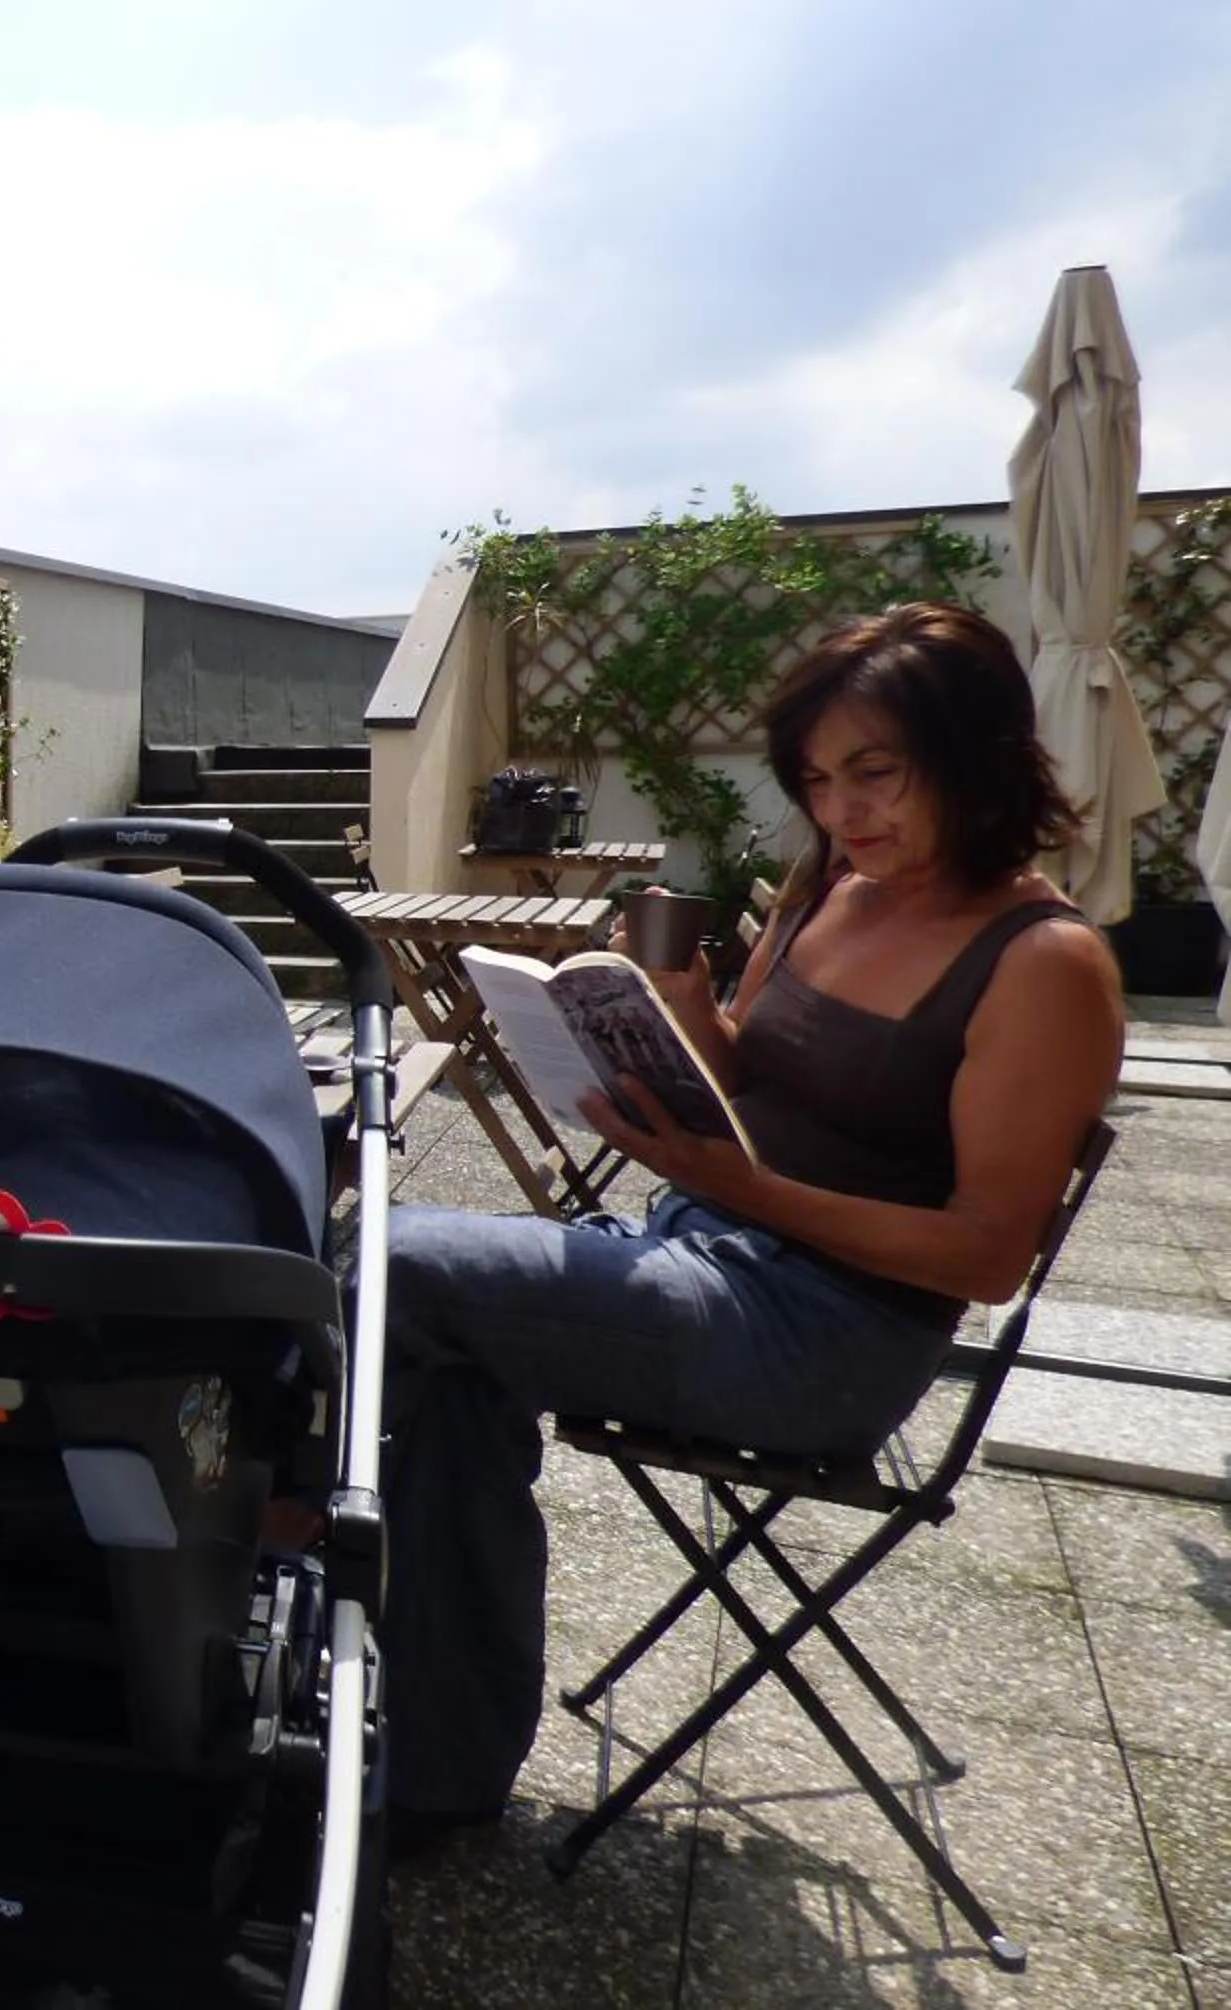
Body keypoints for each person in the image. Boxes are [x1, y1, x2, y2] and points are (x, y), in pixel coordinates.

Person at [378, 601, 1124, 1849]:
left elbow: (988, 1255)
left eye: (876, 774)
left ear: (981, 750)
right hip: (695, 1242)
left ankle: (281, 1554)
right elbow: (748, 1087)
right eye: (820, 781)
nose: (843, 812)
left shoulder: (1043, 962)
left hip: (823, 1337)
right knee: (440, 1358)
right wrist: (669, 1012)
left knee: (396, 1268)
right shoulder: (829, 885)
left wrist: (735, 1188)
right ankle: (432, 1775)